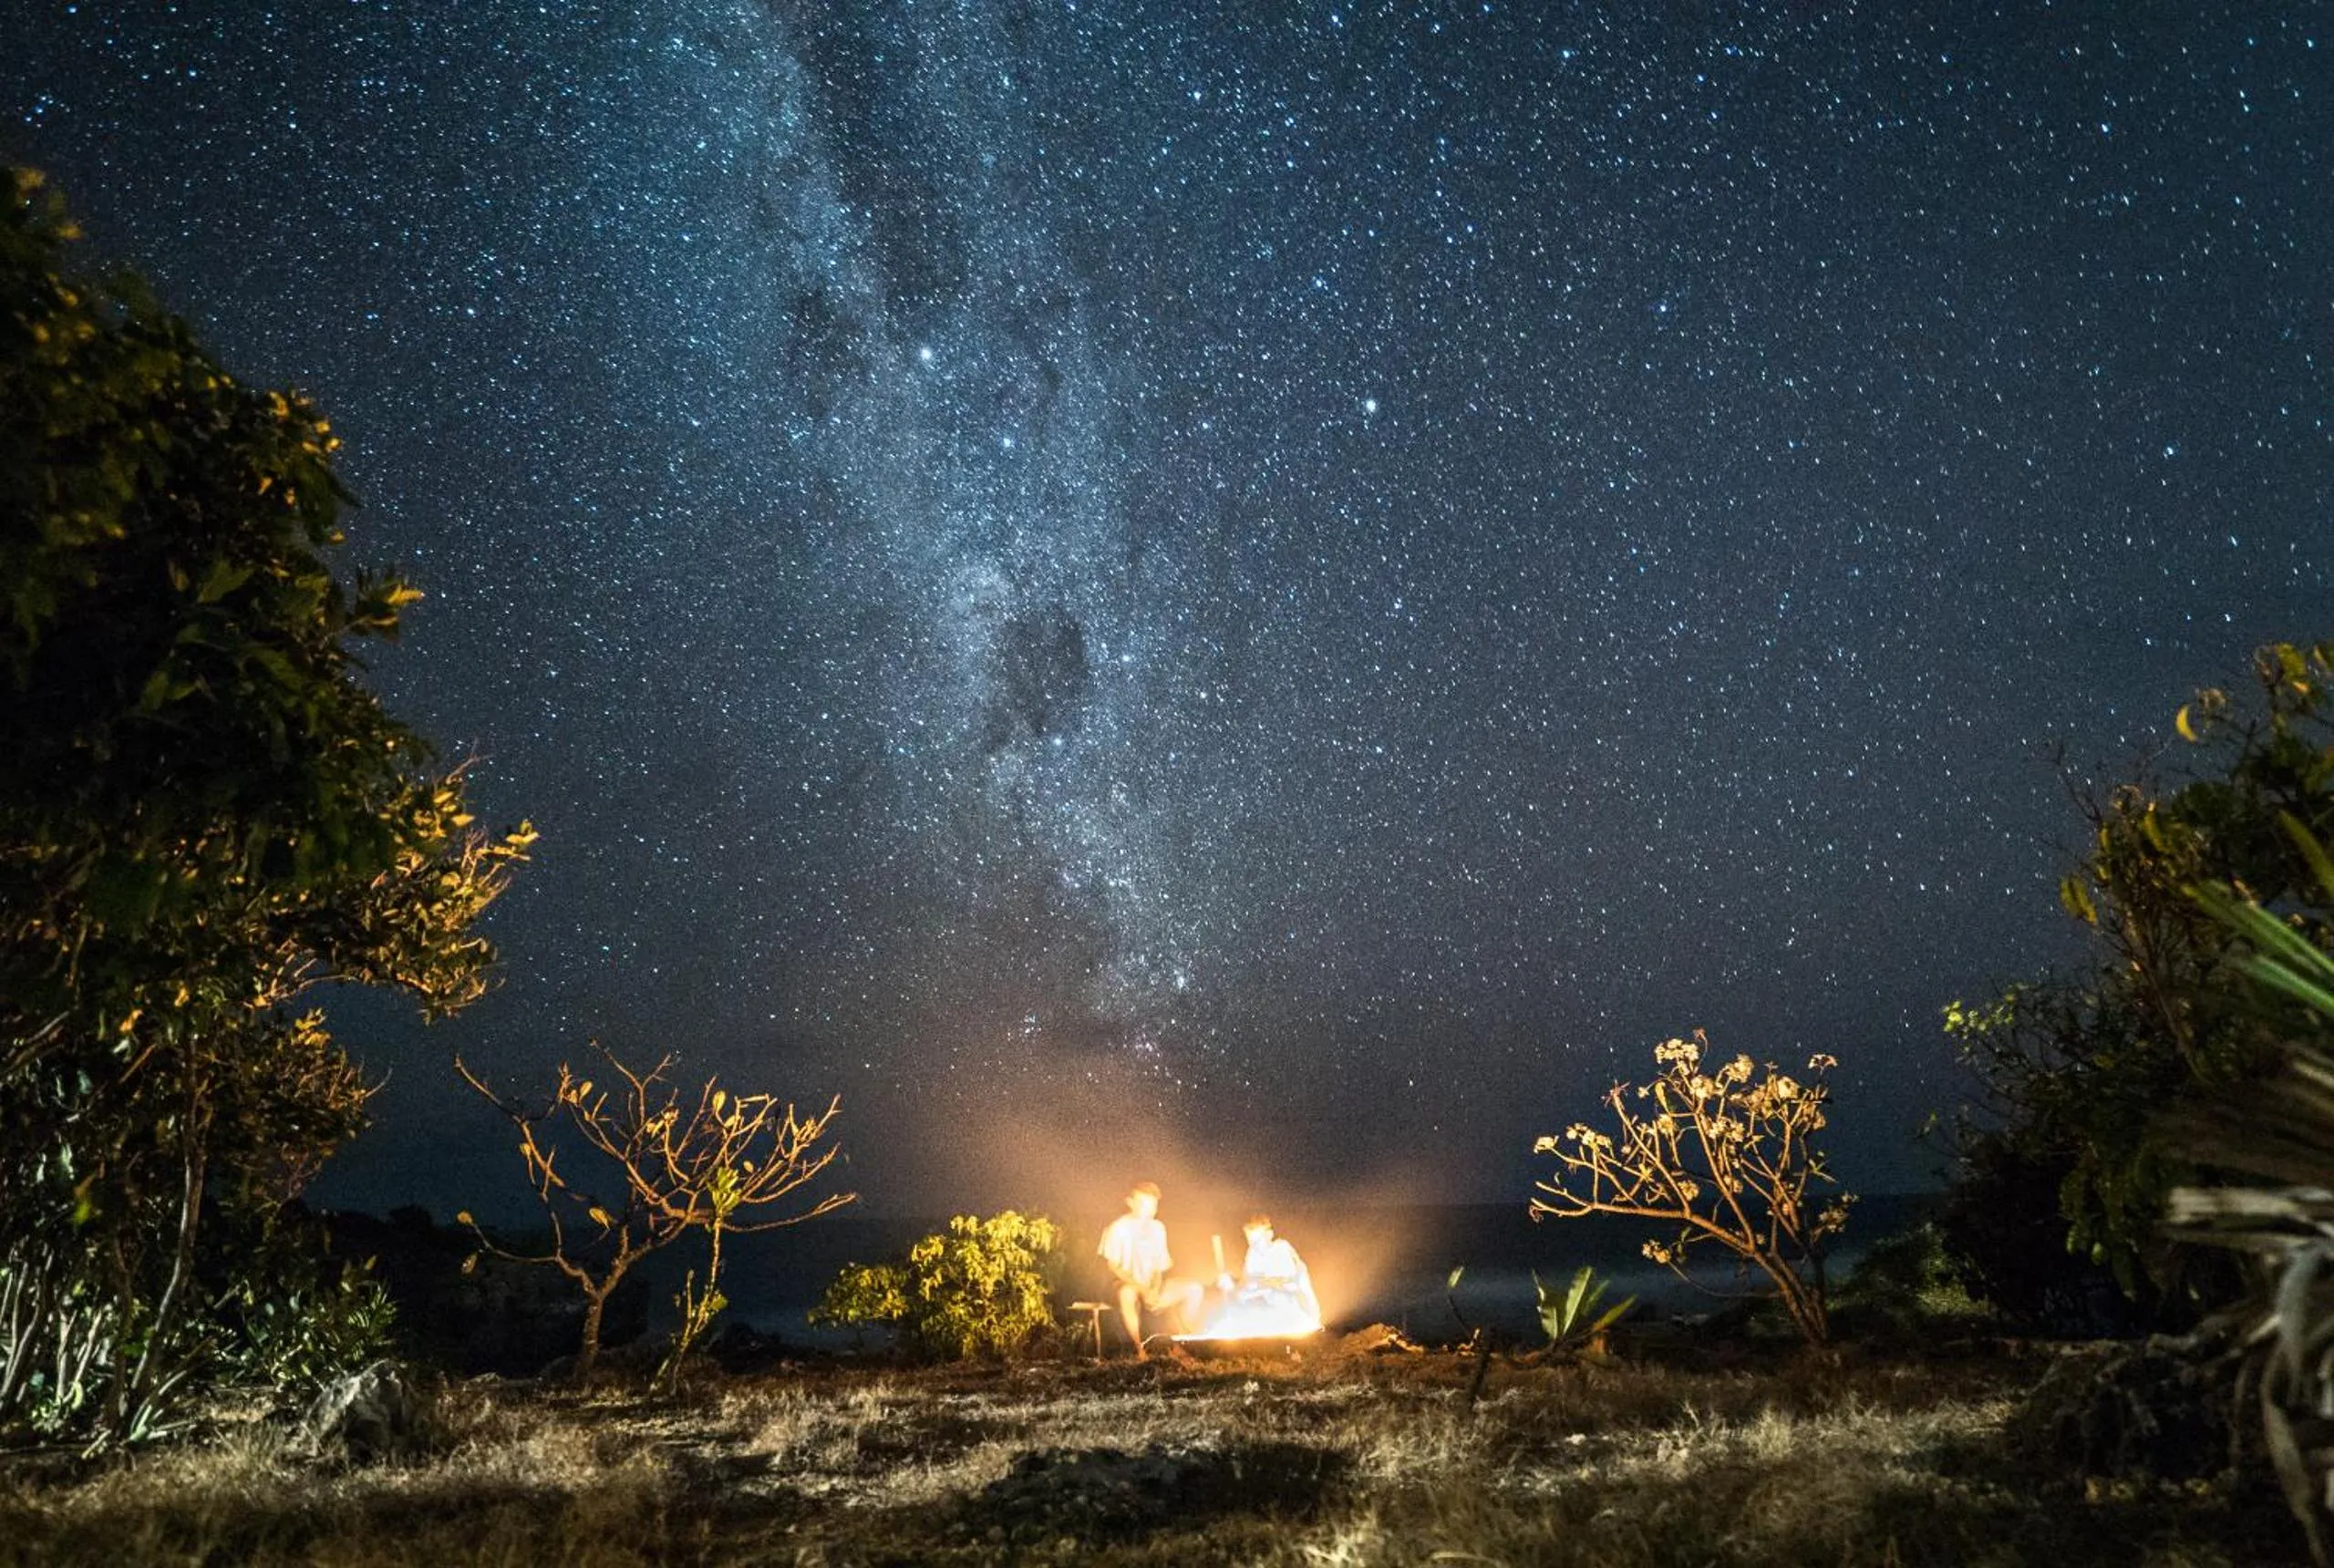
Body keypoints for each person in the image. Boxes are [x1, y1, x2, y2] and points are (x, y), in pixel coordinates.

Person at [1098, 1181, 1203, 1357]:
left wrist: (1154, 1289)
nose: (1149, 1210)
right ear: (1130, 1203)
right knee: (1127, 1294)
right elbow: (1113, 1267)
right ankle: (1138, 1348)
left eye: (1152, 1205)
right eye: (1143, 1204)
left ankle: (1184, 1338)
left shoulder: (1158, 1228)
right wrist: (1142, 1289)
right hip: (1125, 1283)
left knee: (1194, 1288)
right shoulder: (1118, 1228)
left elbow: (1159, 1266)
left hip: (1149, 1285)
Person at [1226, 1212, 1319, 1325]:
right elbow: (1245, 1282)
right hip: (1269, 1299)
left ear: (1269, 1235)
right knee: (1241, 1298)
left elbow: (1289, 1283)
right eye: (1250, 1241)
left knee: (1276, 1296)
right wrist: (1230, 1283)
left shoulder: (1282, 1248)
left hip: (1293, 1301)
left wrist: (1260, 1284)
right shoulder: (1253, 1254)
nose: (1254, 1246)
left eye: (1257, 1241)